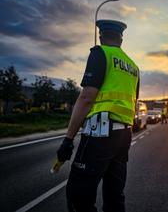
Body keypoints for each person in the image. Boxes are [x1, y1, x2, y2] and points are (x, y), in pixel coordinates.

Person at [56, 19, 140, 212]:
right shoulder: (133, 66)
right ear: (121, 40)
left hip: (100, 133)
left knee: (79, 196)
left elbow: (86, 98)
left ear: (101, 37)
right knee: (114, 197)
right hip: (124, 135)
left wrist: (68, 139)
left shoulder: (100, 53)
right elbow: (133, 104)